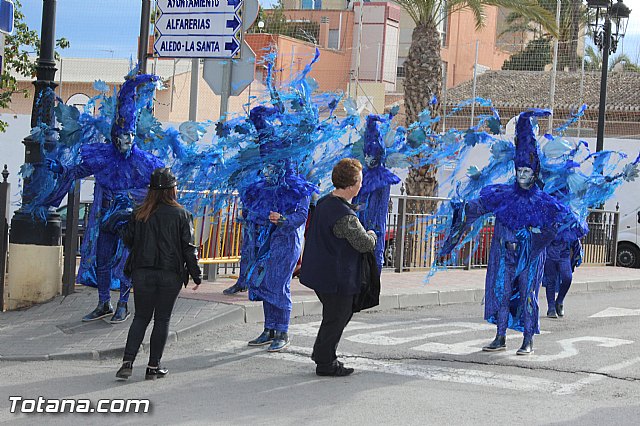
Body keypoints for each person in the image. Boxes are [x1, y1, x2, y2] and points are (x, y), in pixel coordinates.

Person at [440, 109, 574, 355]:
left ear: (535, 174)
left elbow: (560, 224)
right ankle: (500, 336)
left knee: (527, 295)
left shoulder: (544, 202)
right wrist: (459, 210)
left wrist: (533, 239)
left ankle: (527, 339)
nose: (523, 176)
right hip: (503, 253)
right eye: (519, 171)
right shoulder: (501, 195)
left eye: (527, 172)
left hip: (530, 257)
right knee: (501, 293)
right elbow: (474, 210)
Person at [44, 74, 165, 323]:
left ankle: (123, 304)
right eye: (121, 138)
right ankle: (103, 303)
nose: (125, 142)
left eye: (129, 138)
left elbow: (161, 185)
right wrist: (58, 169)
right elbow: (77, 171)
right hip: (106, 217)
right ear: (114, 137)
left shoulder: (145, 162)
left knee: (125, 260)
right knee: (102, 257)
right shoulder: (103, 156)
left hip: (132, 220)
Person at [116, 167, 202, 380]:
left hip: (142, 272)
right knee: (162, 319)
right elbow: (188, 248)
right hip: (169, 273)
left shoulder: (139, 213)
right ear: (173, 189)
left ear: (151, 190)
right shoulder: (182, 214)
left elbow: (128, 240)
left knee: (141, 317)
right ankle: (153, 367)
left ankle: (127, 362)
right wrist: (196, 274)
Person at [300, 158, 377, 376]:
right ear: (352, 184)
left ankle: (323, 355)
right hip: (336, 277)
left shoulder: (326, 202)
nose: (361, 185)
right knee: (337, 318)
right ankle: (326, 363)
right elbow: (364, 243)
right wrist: (372, 233)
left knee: (334, 317)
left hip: (321, 274)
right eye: (360, 181)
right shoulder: (344, 216)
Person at [543, 236, 582, 318]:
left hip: (564, 254)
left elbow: (575, 233)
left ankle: (559, 301)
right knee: (550, 281)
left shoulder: (569, 223)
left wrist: (578, 251)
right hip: (550, 253)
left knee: (568, 278)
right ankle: (551, 307)